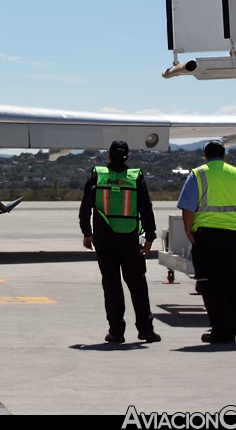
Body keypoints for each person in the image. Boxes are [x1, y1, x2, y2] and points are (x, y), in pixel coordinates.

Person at [177, 140, 236, 345]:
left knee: (211, 285)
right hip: (232, 236)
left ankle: (219, 331)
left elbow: (187, 207)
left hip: (207, 236)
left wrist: (188, 230)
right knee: (232, 283)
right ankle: (231, 331)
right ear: (224, 156)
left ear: (205, 156)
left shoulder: (198, 174)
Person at [79, 140, 160, 344]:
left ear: (108, 156)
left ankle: (116, 331)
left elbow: (85, 209)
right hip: (129, 239)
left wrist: (87, 233)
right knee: (138, 286)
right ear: (127, 157)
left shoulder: (98, 177)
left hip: (105, 241)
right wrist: (150, 237)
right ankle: (146, 330)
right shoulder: (135, 179)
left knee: (112, 287)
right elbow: (146, 209)